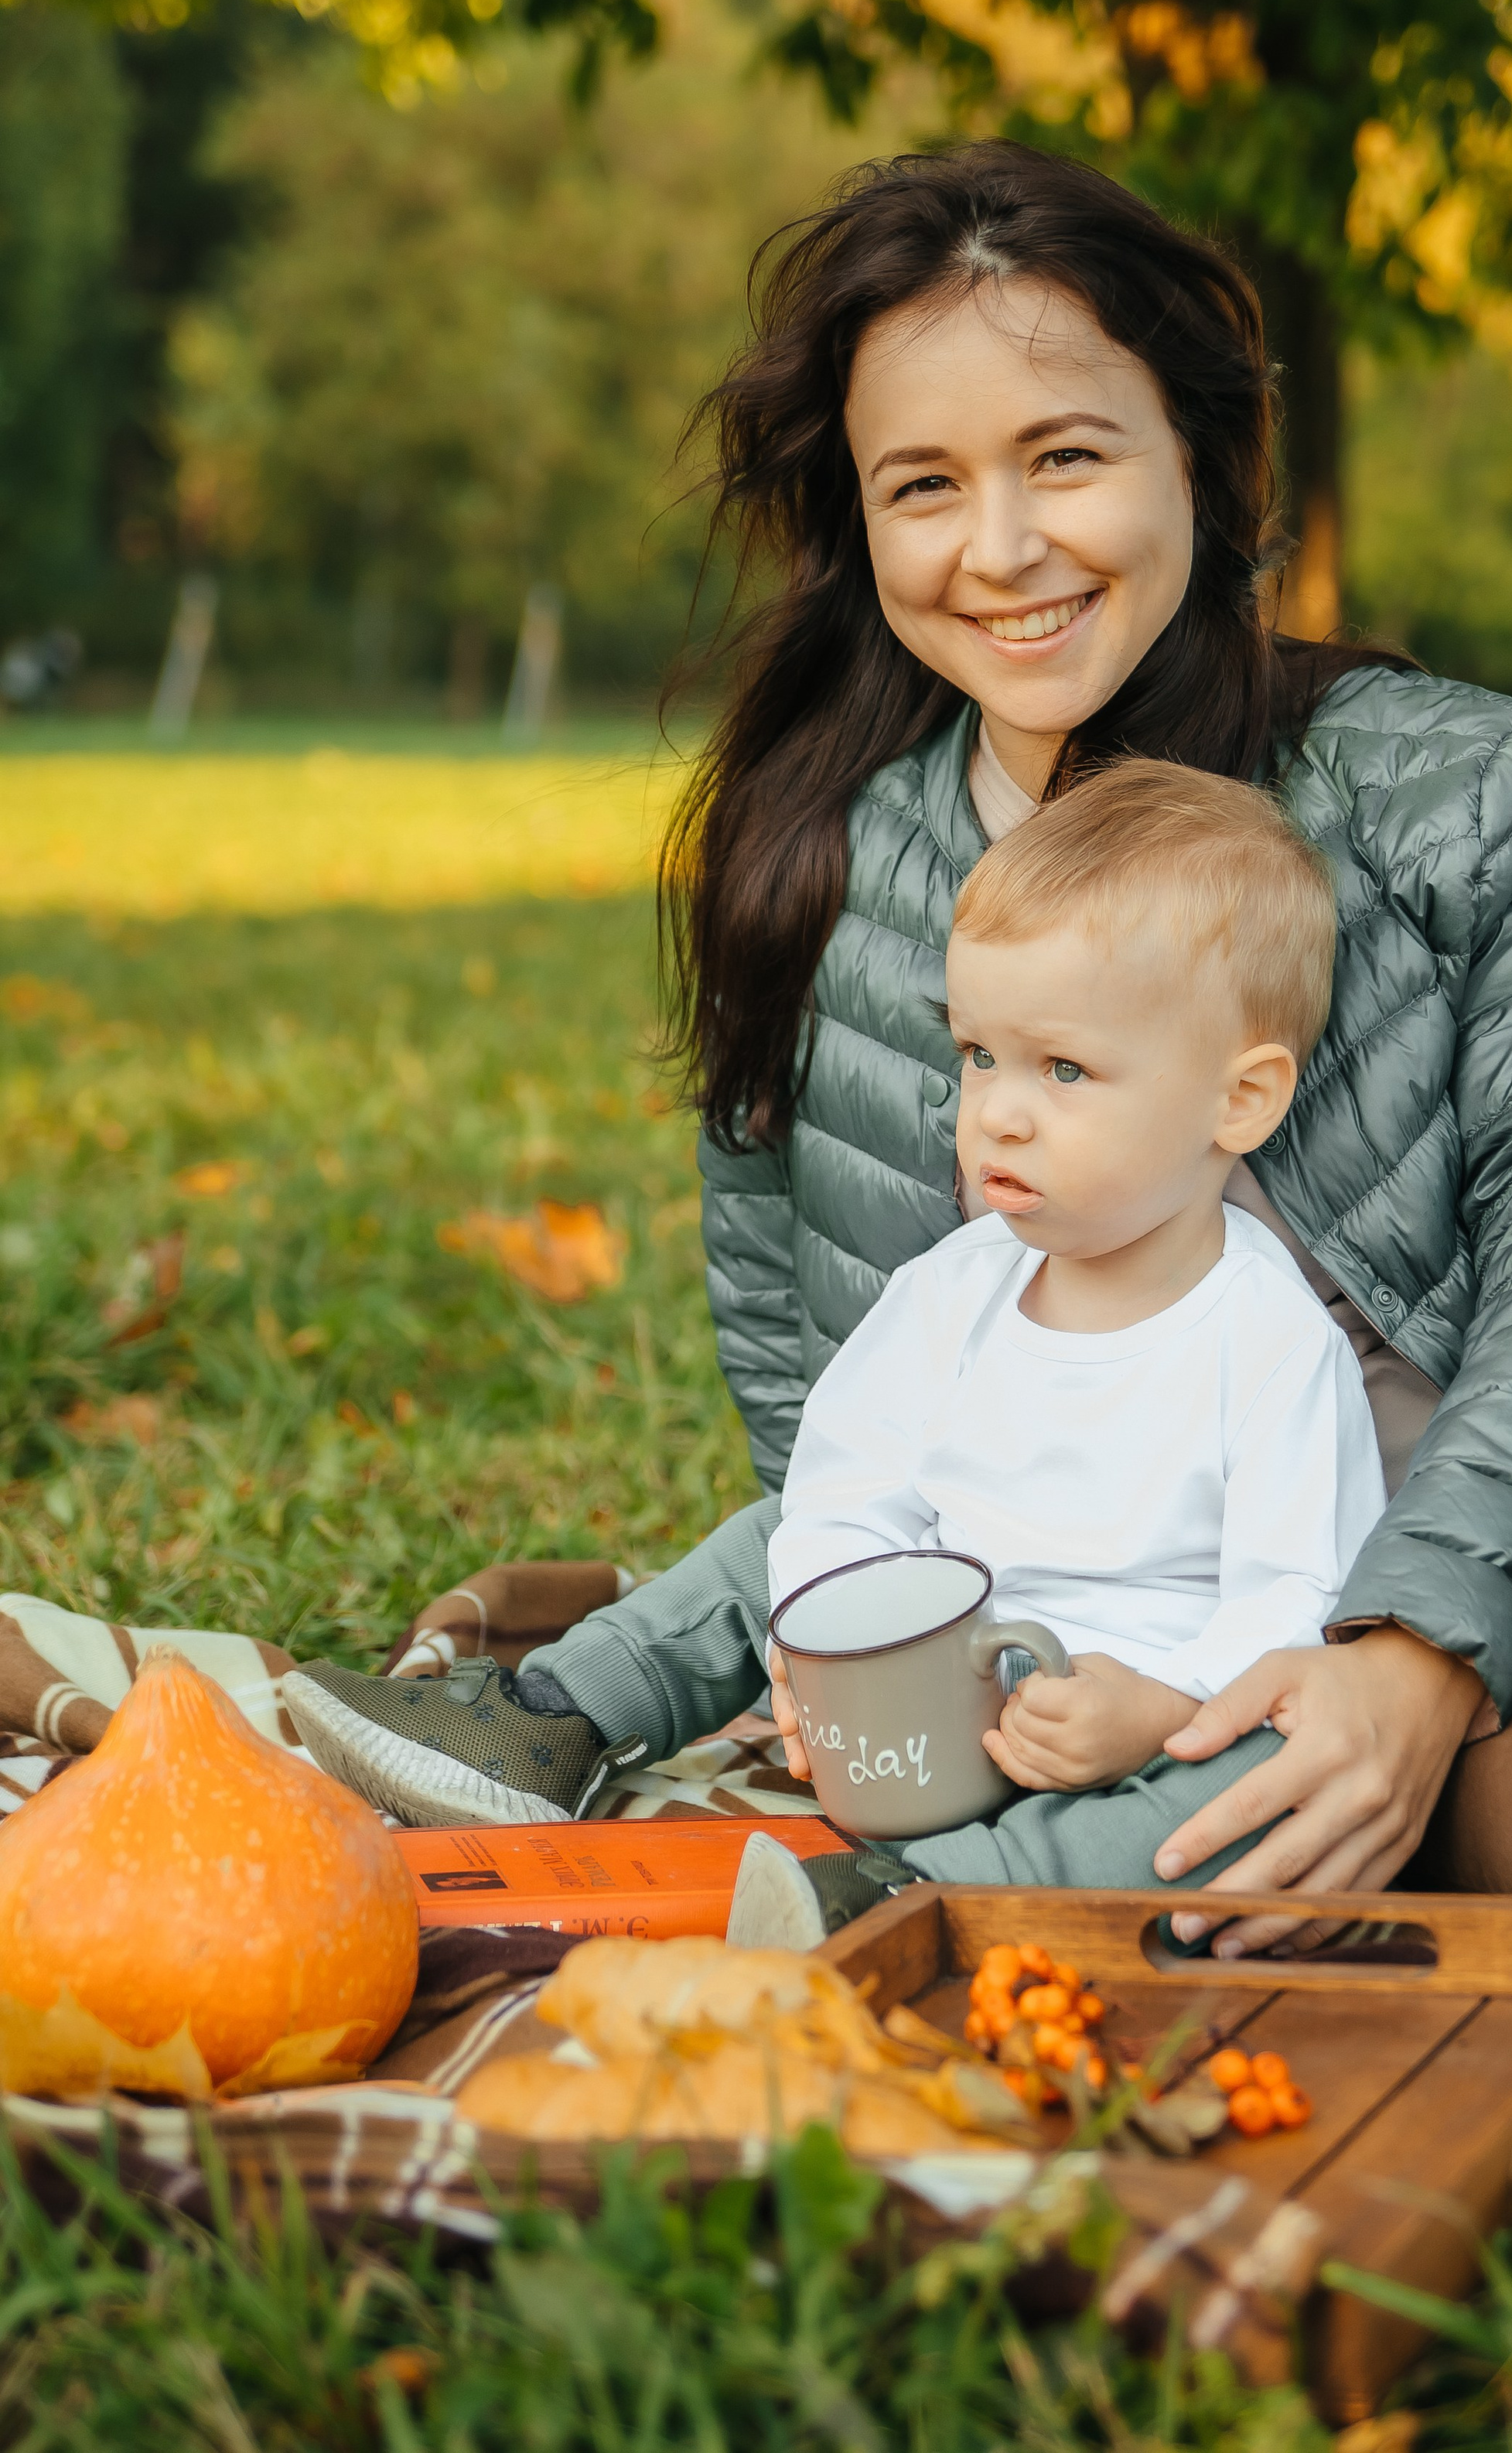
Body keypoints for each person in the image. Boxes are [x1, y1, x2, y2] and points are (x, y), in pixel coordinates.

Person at [290, 141, 1512, 1975]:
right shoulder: (822, 889)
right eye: (921, 484)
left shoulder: (1438, 776)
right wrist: (919, 1668)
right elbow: (849, 1405)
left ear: (1198, 453)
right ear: (858, 524)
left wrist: (1420, 1646)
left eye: (1066, 457)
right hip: (1319, 1618)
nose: (1000, 548)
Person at [286, 762, 1391, 1902]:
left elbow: (1293, 1604)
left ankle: (919, 1895)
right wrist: (821, 1649)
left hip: (1122, 1729)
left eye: (1064, 1068)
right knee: (771, 1543)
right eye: (979, 1056)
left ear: (1241, 1100)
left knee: (1258, 1778)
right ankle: (549, 1724)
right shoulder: (958, 1288)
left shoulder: (1267, 1341)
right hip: (927, 1693)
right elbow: (846, 1484)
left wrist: (1157, 1706)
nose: (998, 1110)